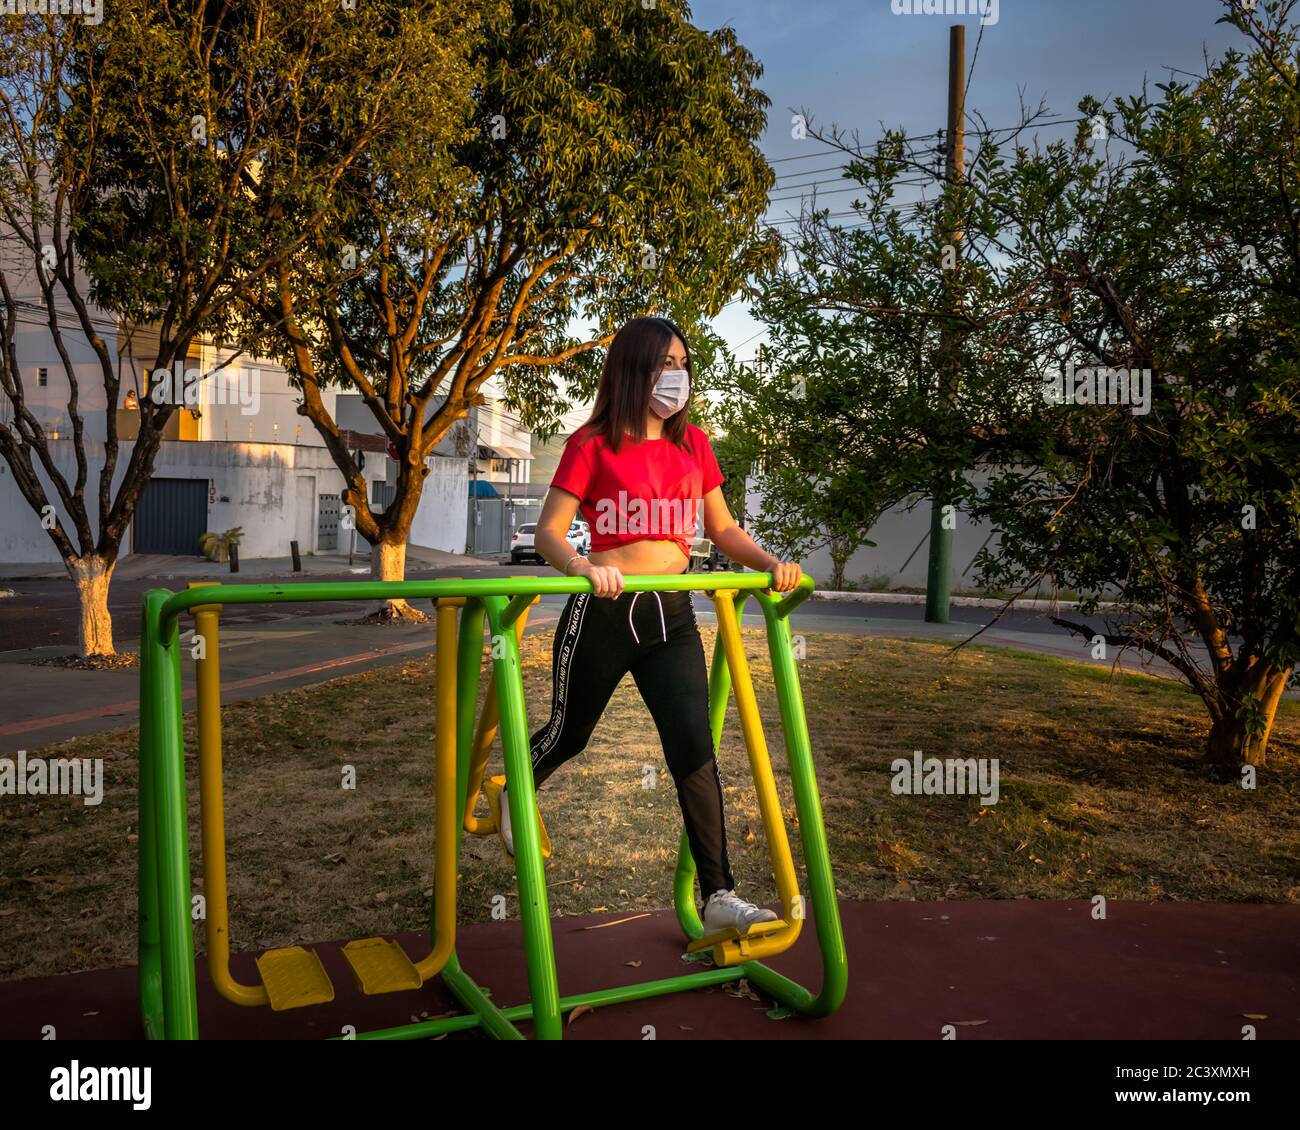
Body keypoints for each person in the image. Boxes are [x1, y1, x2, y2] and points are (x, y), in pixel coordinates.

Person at [499, 315, 803, 936]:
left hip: (673, 614)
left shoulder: (694, 445)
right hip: (605, 610)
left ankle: (719, 893)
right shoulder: (593, 444)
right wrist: (581, 566)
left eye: (683, 364)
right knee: (570, 733)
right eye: (665, 364)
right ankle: (516, 783)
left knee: (695, 749)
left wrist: (771, 563)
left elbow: (721, 530)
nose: (677, 376)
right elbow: (548, 532)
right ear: (634, 369)